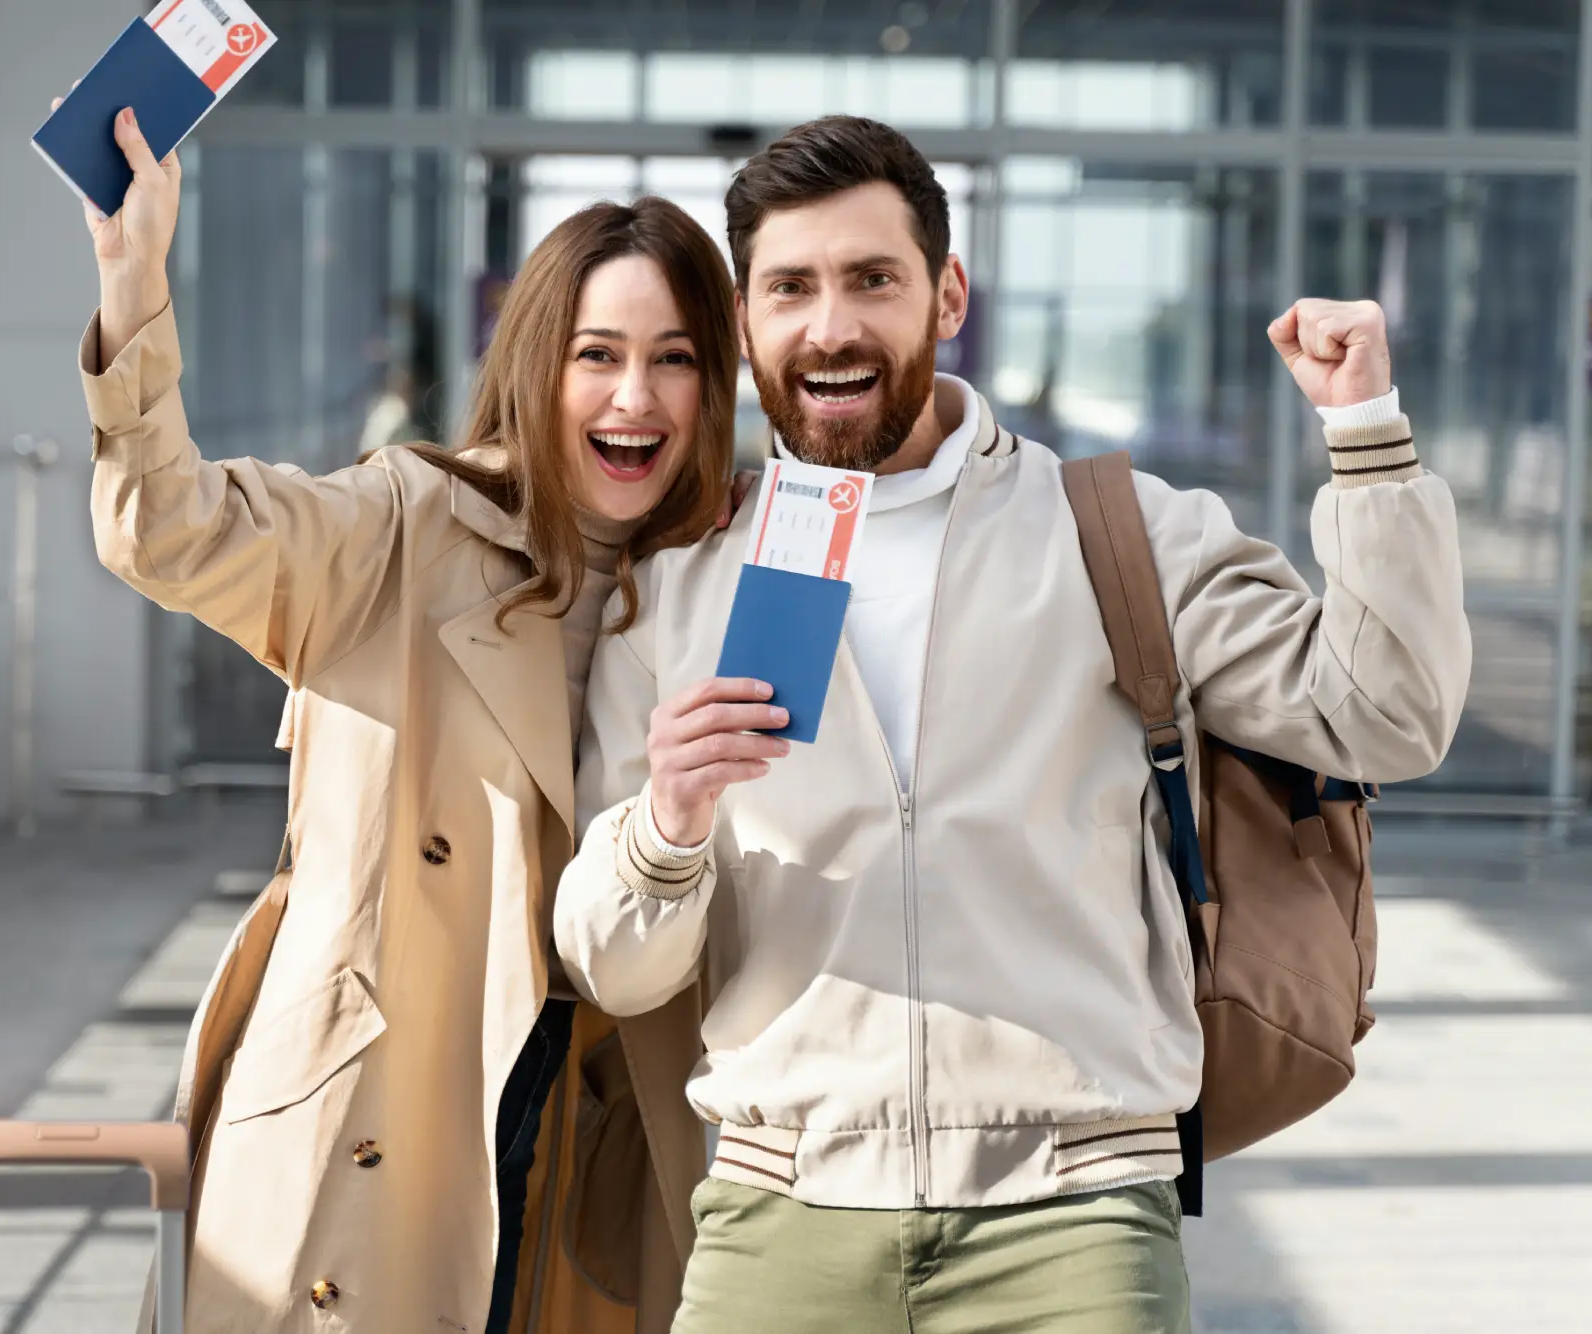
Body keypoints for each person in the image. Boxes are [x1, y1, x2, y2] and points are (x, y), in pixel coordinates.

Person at [554, 116, 1471, 1333]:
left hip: (1075, 1218)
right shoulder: (673, 585)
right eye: (791, 288)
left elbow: (1385, 714)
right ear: (743, 320)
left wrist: (1364, 437)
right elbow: (612, 964)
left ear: (945, 294)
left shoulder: (1118, 534)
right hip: (778, 1218)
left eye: (871, 279)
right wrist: (664, 824)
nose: (830, 325)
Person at [69, 103, 735, 1334]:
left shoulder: (737, 573)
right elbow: (168, 525)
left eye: (675, 357)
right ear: (537, 362)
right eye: (595, 353)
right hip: (387, 1102)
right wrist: (136, 288)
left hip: (608, 1119)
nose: (632, 396)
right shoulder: (406, 523)